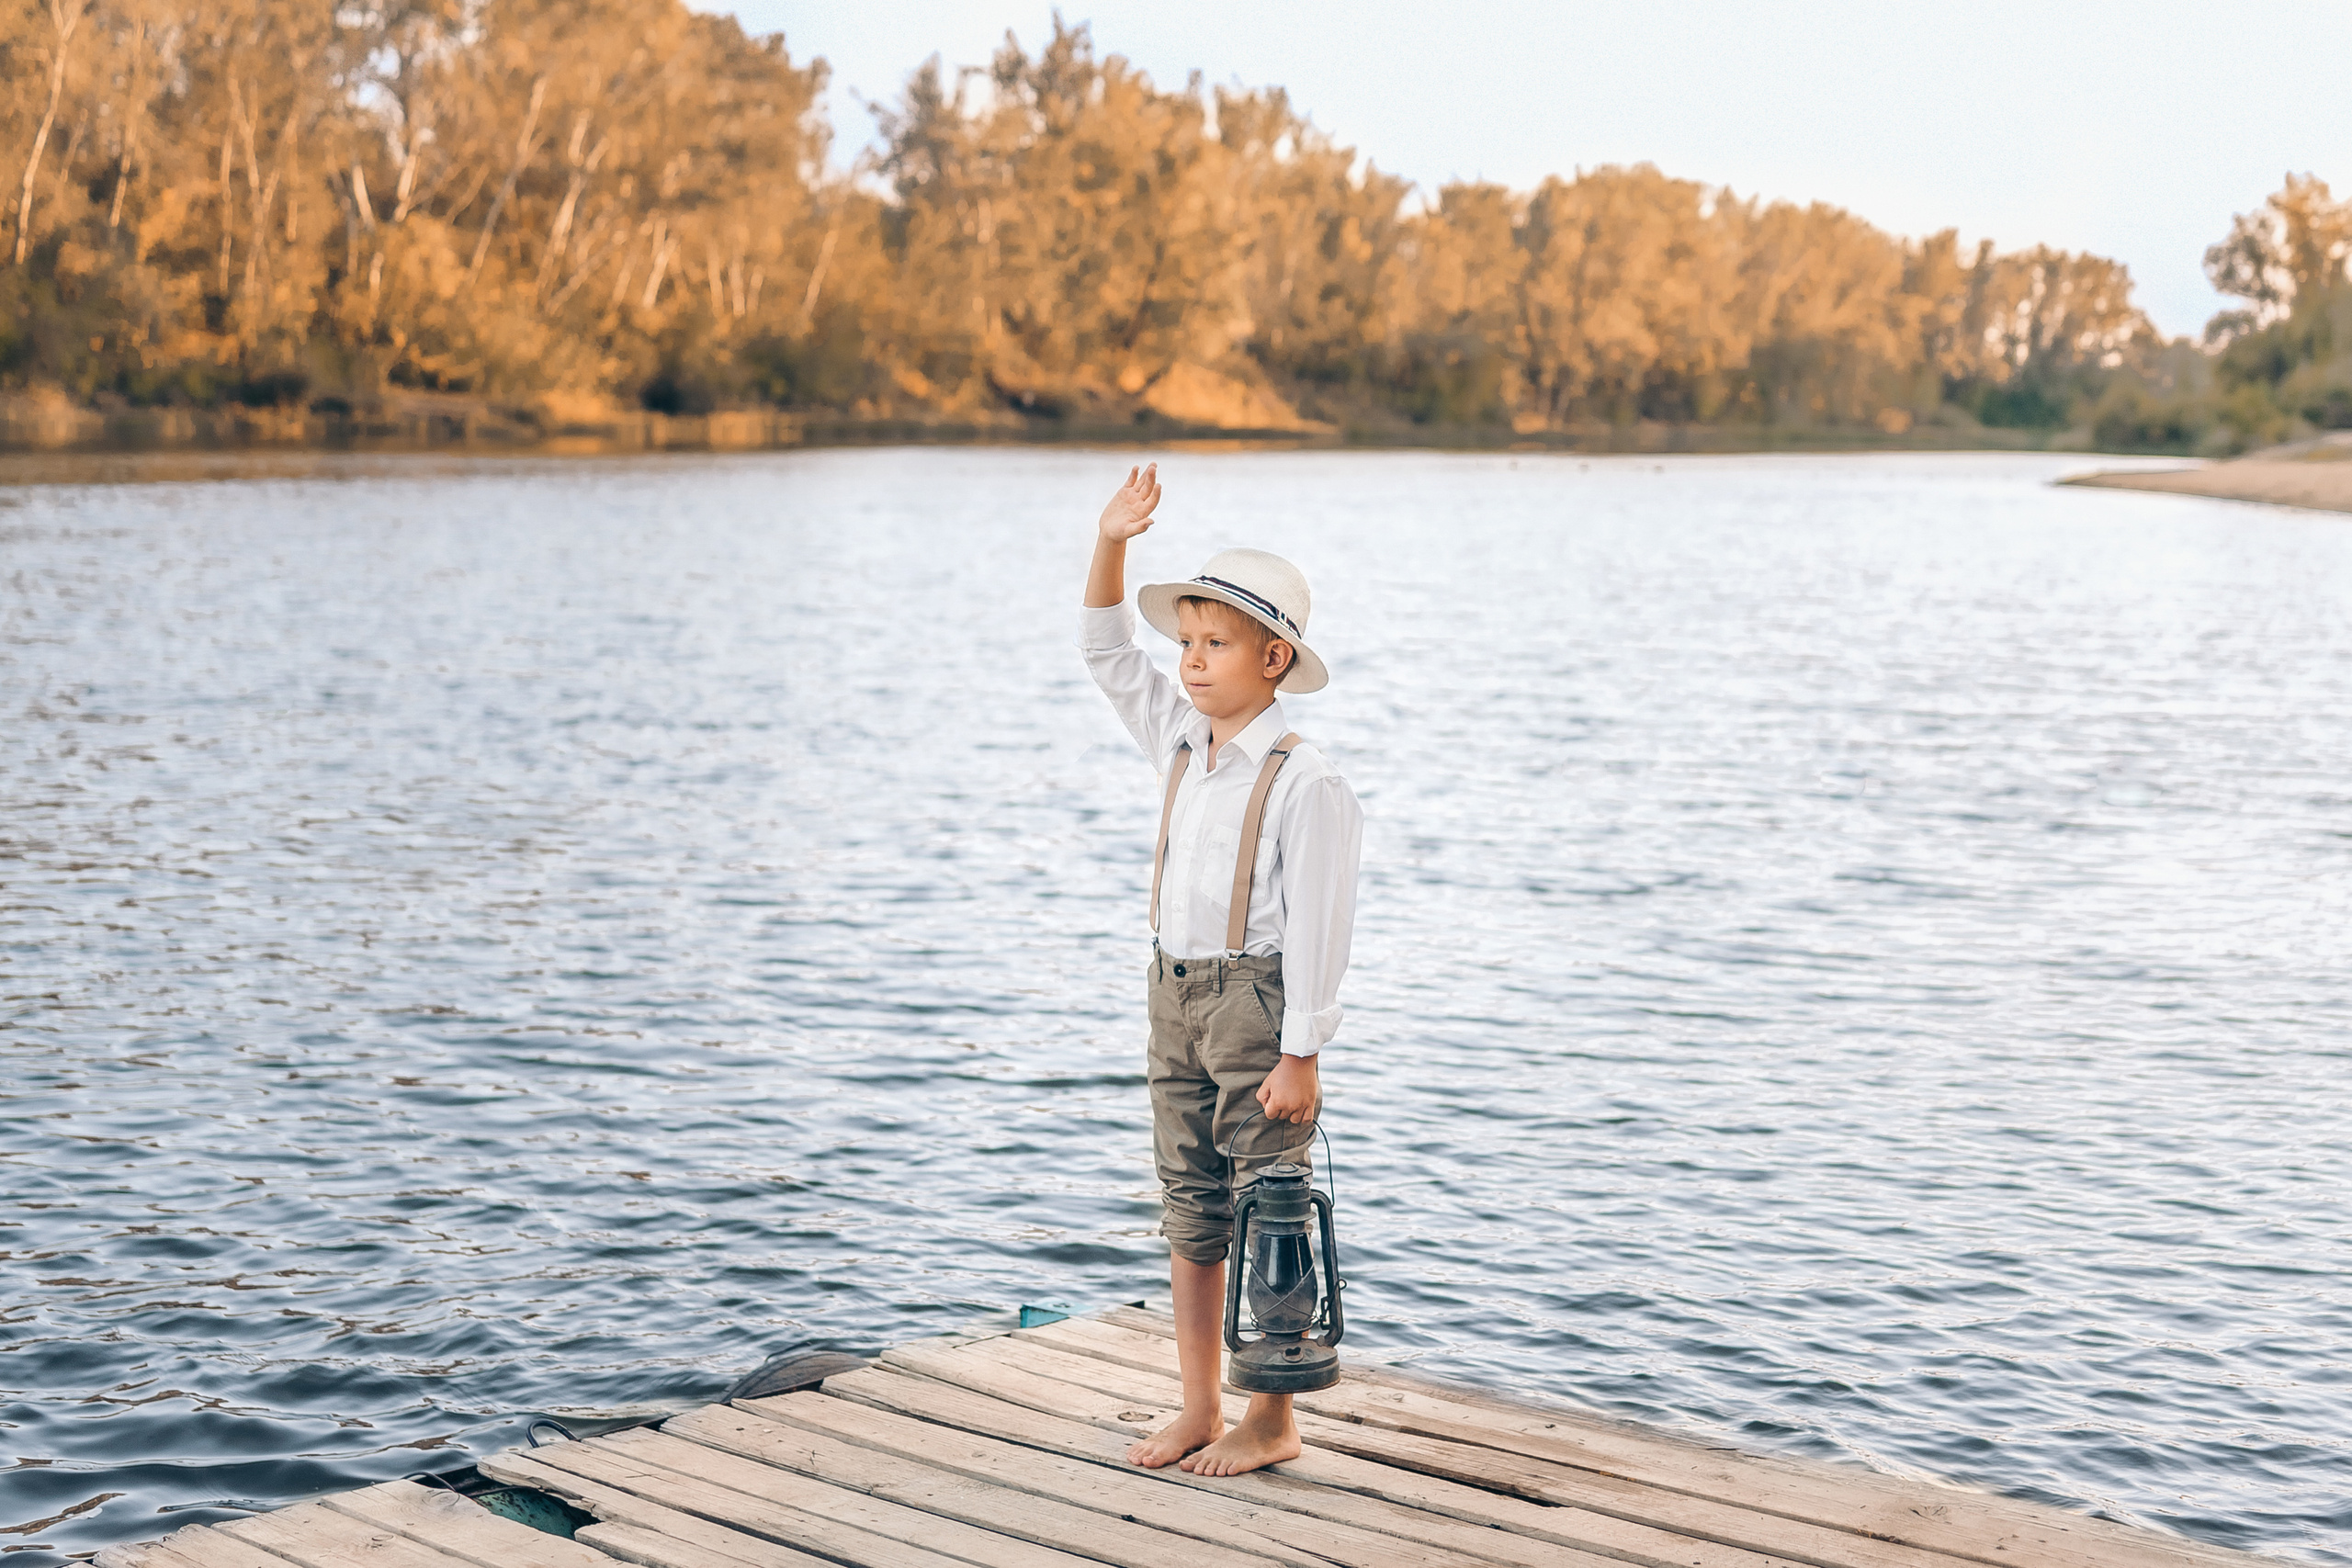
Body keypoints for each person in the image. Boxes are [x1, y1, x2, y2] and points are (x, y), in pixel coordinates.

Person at [1080, 462, 1363, 1477]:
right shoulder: (1178, 740)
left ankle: (1273, 1417)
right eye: (1187, 644)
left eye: (1215, 645)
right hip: (1174, 993)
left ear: (1274, 657)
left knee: (1269, 1202)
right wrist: (1113, 540)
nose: (1191, 663)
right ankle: (1200, 1402)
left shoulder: (1305, 781)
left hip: (1258, 1005)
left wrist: (1303, 1054)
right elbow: (1107, 652)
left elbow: (1323, 927)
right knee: (1192, 1206)